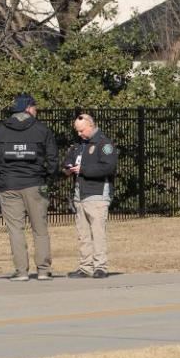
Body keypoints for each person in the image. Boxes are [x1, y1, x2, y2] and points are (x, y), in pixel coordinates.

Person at [0, 94, 58, 281]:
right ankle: (43, 270)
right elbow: (52, 160)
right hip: (35, 184)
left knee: (15, 229)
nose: (37, 111)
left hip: (8, 185)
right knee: (40, 228)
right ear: (28, 108)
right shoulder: (42, 130)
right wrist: (47, 179)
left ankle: (21, 272)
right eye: (35, 107)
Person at [63, 113, 117, 279]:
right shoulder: (78, 146)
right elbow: (67, 162)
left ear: (90, 126)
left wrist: (83, 170)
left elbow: (108, 167)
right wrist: (67, 168)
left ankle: (100, 266)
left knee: (98, 232)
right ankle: (85, 267)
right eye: (77, 131)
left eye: (81, 131)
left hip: (97, 194)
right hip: (80, 194)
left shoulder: (104, 144)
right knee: (83, 233)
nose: (79, 134)